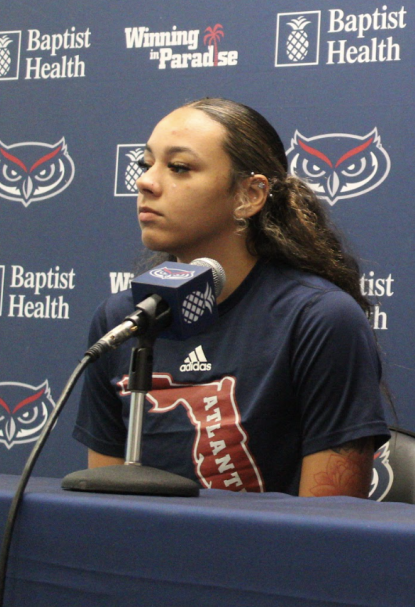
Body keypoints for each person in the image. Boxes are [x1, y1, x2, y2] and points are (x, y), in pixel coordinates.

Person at [73, 98, 389, 497]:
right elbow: (99, 508)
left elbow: (329, 527)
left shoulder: (320, 319)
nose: (145, 182)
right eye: (145, 164)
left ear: (250, 195)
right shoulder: (123, 321)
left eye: (179, 167)